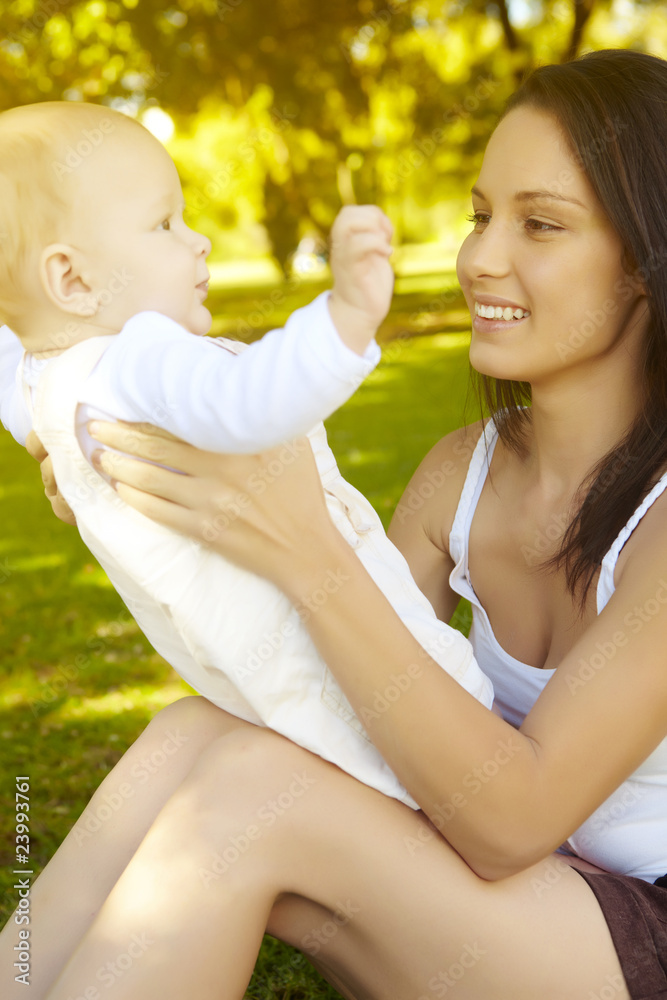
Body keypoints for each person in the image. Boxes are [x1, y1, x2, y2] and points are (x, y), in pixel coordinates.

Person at [2, 45, 667, 1000]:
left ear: (646, 263)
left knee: (244, 803)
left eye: (541, 224)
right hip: (527, 900)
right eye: (481, 215)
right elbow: (339, 694)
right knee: (198, 737)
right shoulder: (460, 474)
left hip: (633, 935)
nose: (480, 256)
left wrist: (302, 540)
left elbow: (514, 820)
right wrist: (114, 474)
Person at [0, 101, 492, 808]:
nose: (197, 241)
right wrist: (345, 320)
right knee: (462, 728)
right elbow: (248, 401)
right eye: (164, 224)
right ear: (73, 282)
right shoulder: (137, 362)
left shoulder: (40, 386)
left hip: (256, 685)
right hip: (346, 668)